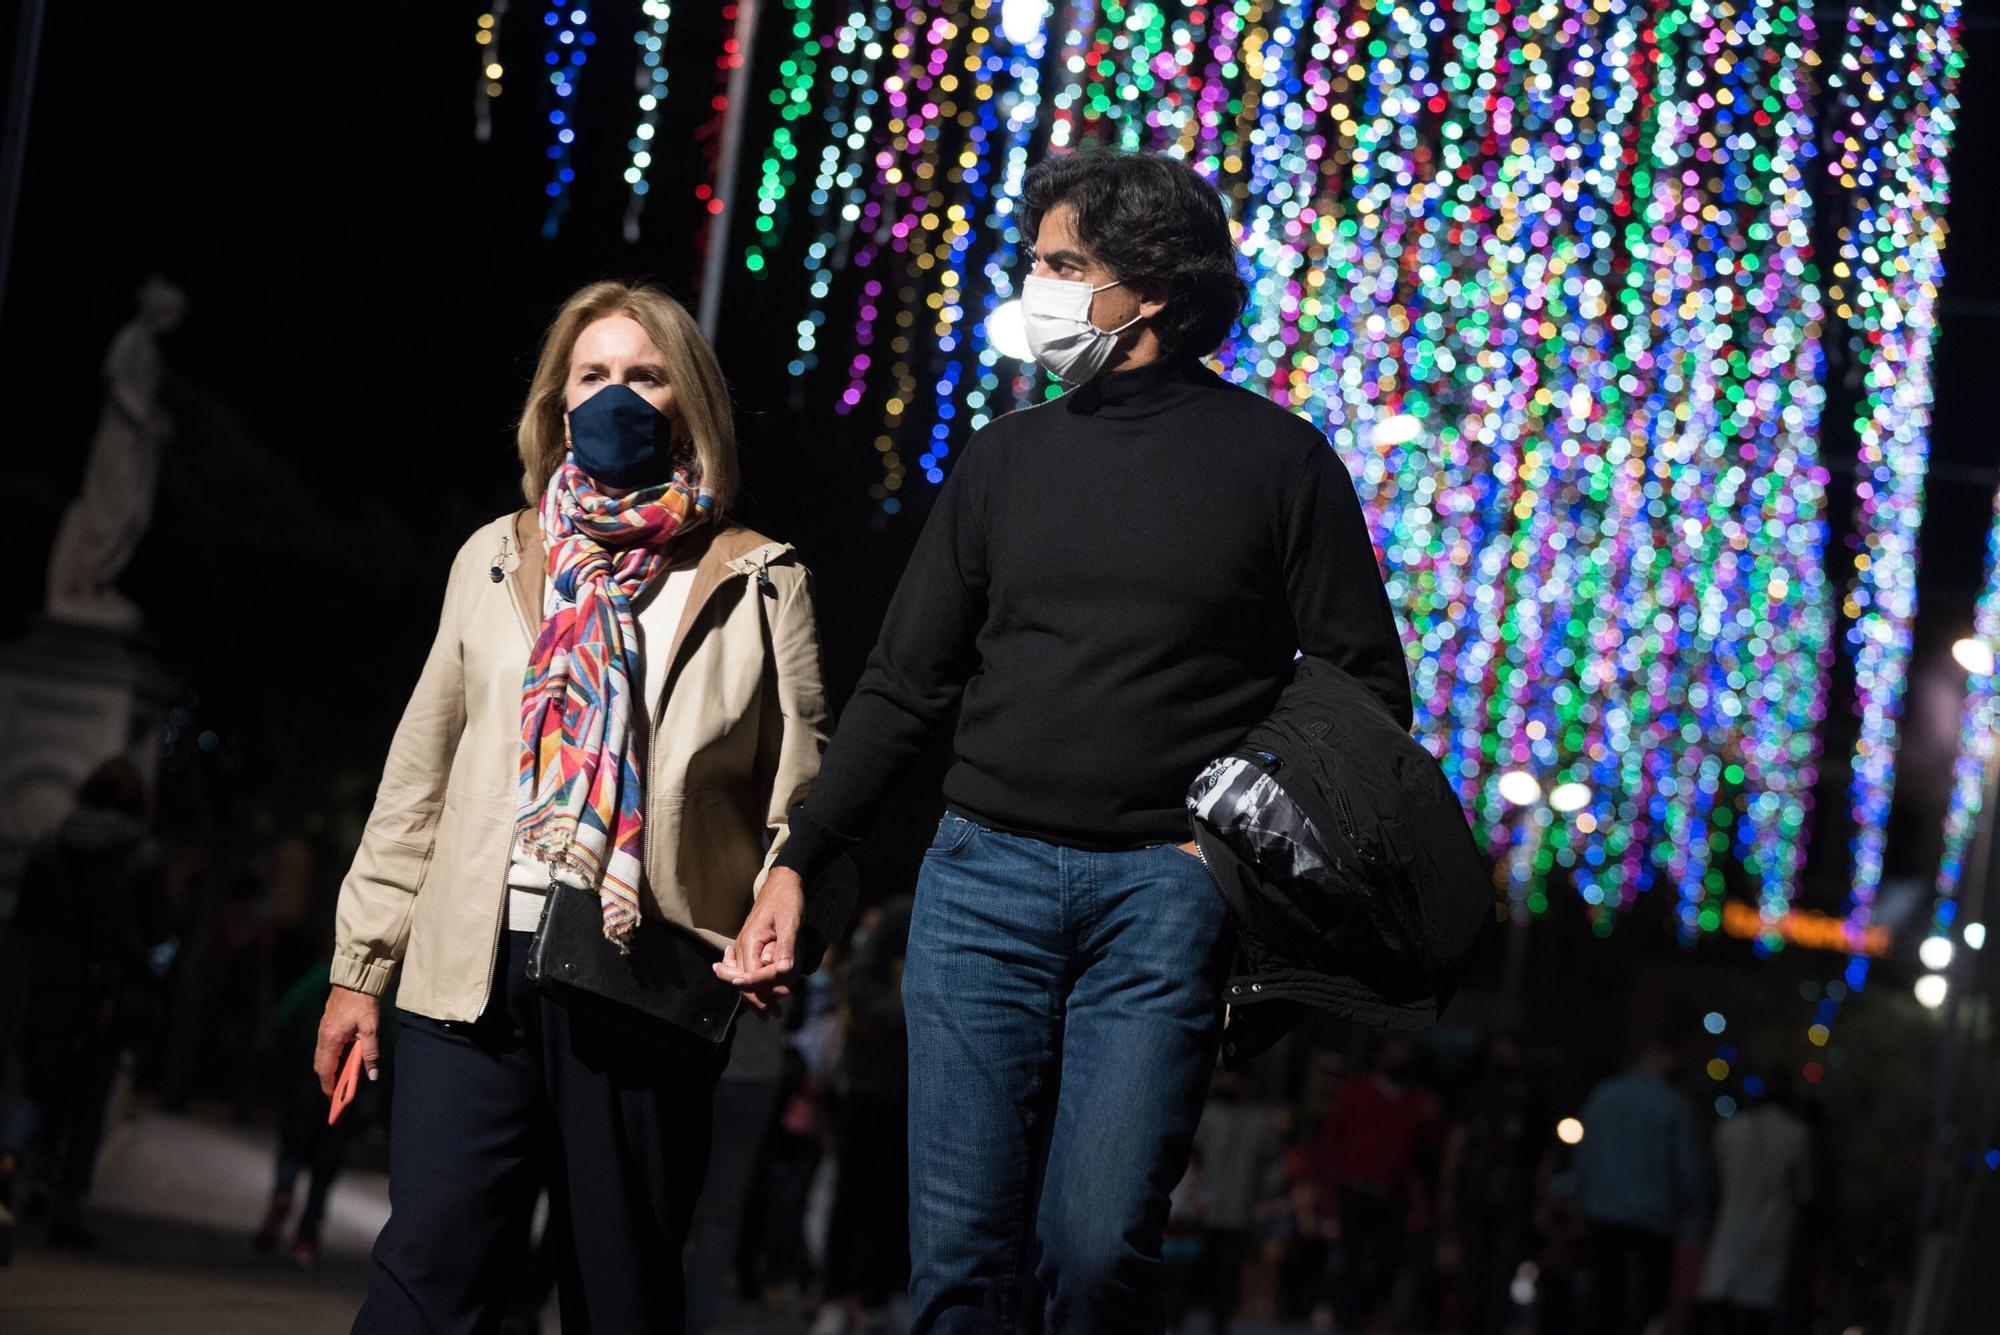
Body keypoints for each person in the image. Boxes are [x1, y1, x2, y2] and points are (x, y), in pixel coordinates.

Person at [724, 149, 1412, 1330]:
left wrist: (1226, 853)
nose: (1033, 285)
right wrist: (798, 855)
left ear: (1147, 286)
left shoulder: (1282, 463)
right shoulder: (1005, 458)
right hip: (980, 881)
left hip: (1162, 898)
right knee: (958, 1267)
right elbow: (903, 683)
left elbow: (1362, 685)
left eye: (1059, 264)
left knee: (1095, 1254)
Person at [315, 280, 834, 1334]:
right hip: (464, 981)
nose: (616, 397)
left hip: (637, 978)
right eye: (591, 376)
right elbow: (416, 780)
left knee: (619, 1298)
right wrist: (358, 970)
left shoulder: (756, 581)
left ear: (689, 402)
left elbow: (809, 809)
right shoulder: (497, 556)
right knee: (422, 1284)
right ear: (556, 408)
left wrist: (794, 918)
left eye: (644, 376)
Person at [1, 757, 165, 1249]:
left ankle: (13, 1161)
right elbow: (157, 928)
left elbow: (24, 920)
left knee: (36, 1086)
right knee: (89, 1101)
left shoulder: (53, 844)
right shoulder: (143, 855)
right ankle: (66, 1203)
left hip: (50, 987)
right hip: (107, 996)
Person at [1569, 1034, 1711, 1335]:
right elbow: (1687, 1168)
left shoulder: (1605, 1095)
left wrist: (1578, 1203)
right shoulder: (1673, 1104)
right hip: (1653, 1216)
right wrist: (1693, 1217)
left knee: (1605, 1294)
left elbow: (1584, 1155)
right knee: (1649, 1300)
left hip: (1603, 1210)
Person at [1309, 1036, 1441, 1331]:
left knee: (1385, 1265)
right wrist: (1325, 1188)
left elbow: (1425, 1156)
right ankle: (1345, 1319)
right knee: (1348, 1261)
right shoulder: (1356, 1091)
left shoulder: (1418, 1102)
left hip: (1393, 1196)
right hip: (1353, 1191)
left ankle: (1369, 1318)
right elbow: (1330, 1140)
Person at [1697, 1073, 1815, 1335]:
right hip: (1769, 1239)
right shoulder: (1797, 1136)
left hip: (1728, 1237)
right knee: (1754, 1318)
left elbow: (1711, 1181)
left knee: (1719, 1315)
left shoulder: (1730, 1129)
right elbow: (1805, 1193)